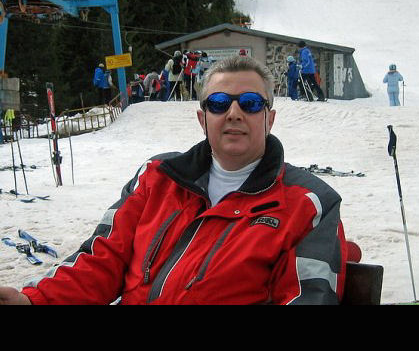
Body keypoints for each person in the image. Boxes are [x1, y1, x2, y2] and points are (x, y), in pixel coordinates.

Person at [0, 55, 348, 305]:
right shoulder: (157, 177)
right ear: (202, 118)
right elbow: (102, 260)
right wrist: (33, 300)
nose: (234, 113)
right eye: (219, 103)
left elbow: (307, 297)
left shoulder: (308, 204)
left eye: (250, 103)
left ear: (269, 119)